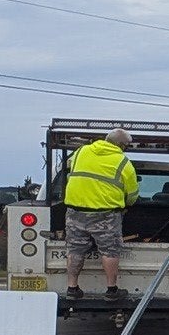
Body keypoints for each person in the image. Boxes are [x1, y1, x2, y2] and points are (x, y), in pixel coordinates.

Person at [63, 125, 139, 305]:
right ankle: (111, 290)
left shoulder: (81, 152)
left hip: (75, 212)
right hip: (105, 215)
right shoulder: (123, 162)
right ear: (123, 146)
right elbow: (133, 195)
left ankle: (72, 288)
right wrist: (127, 204)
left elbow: (69, 170)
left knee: (74, 250)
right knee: (109, 250)